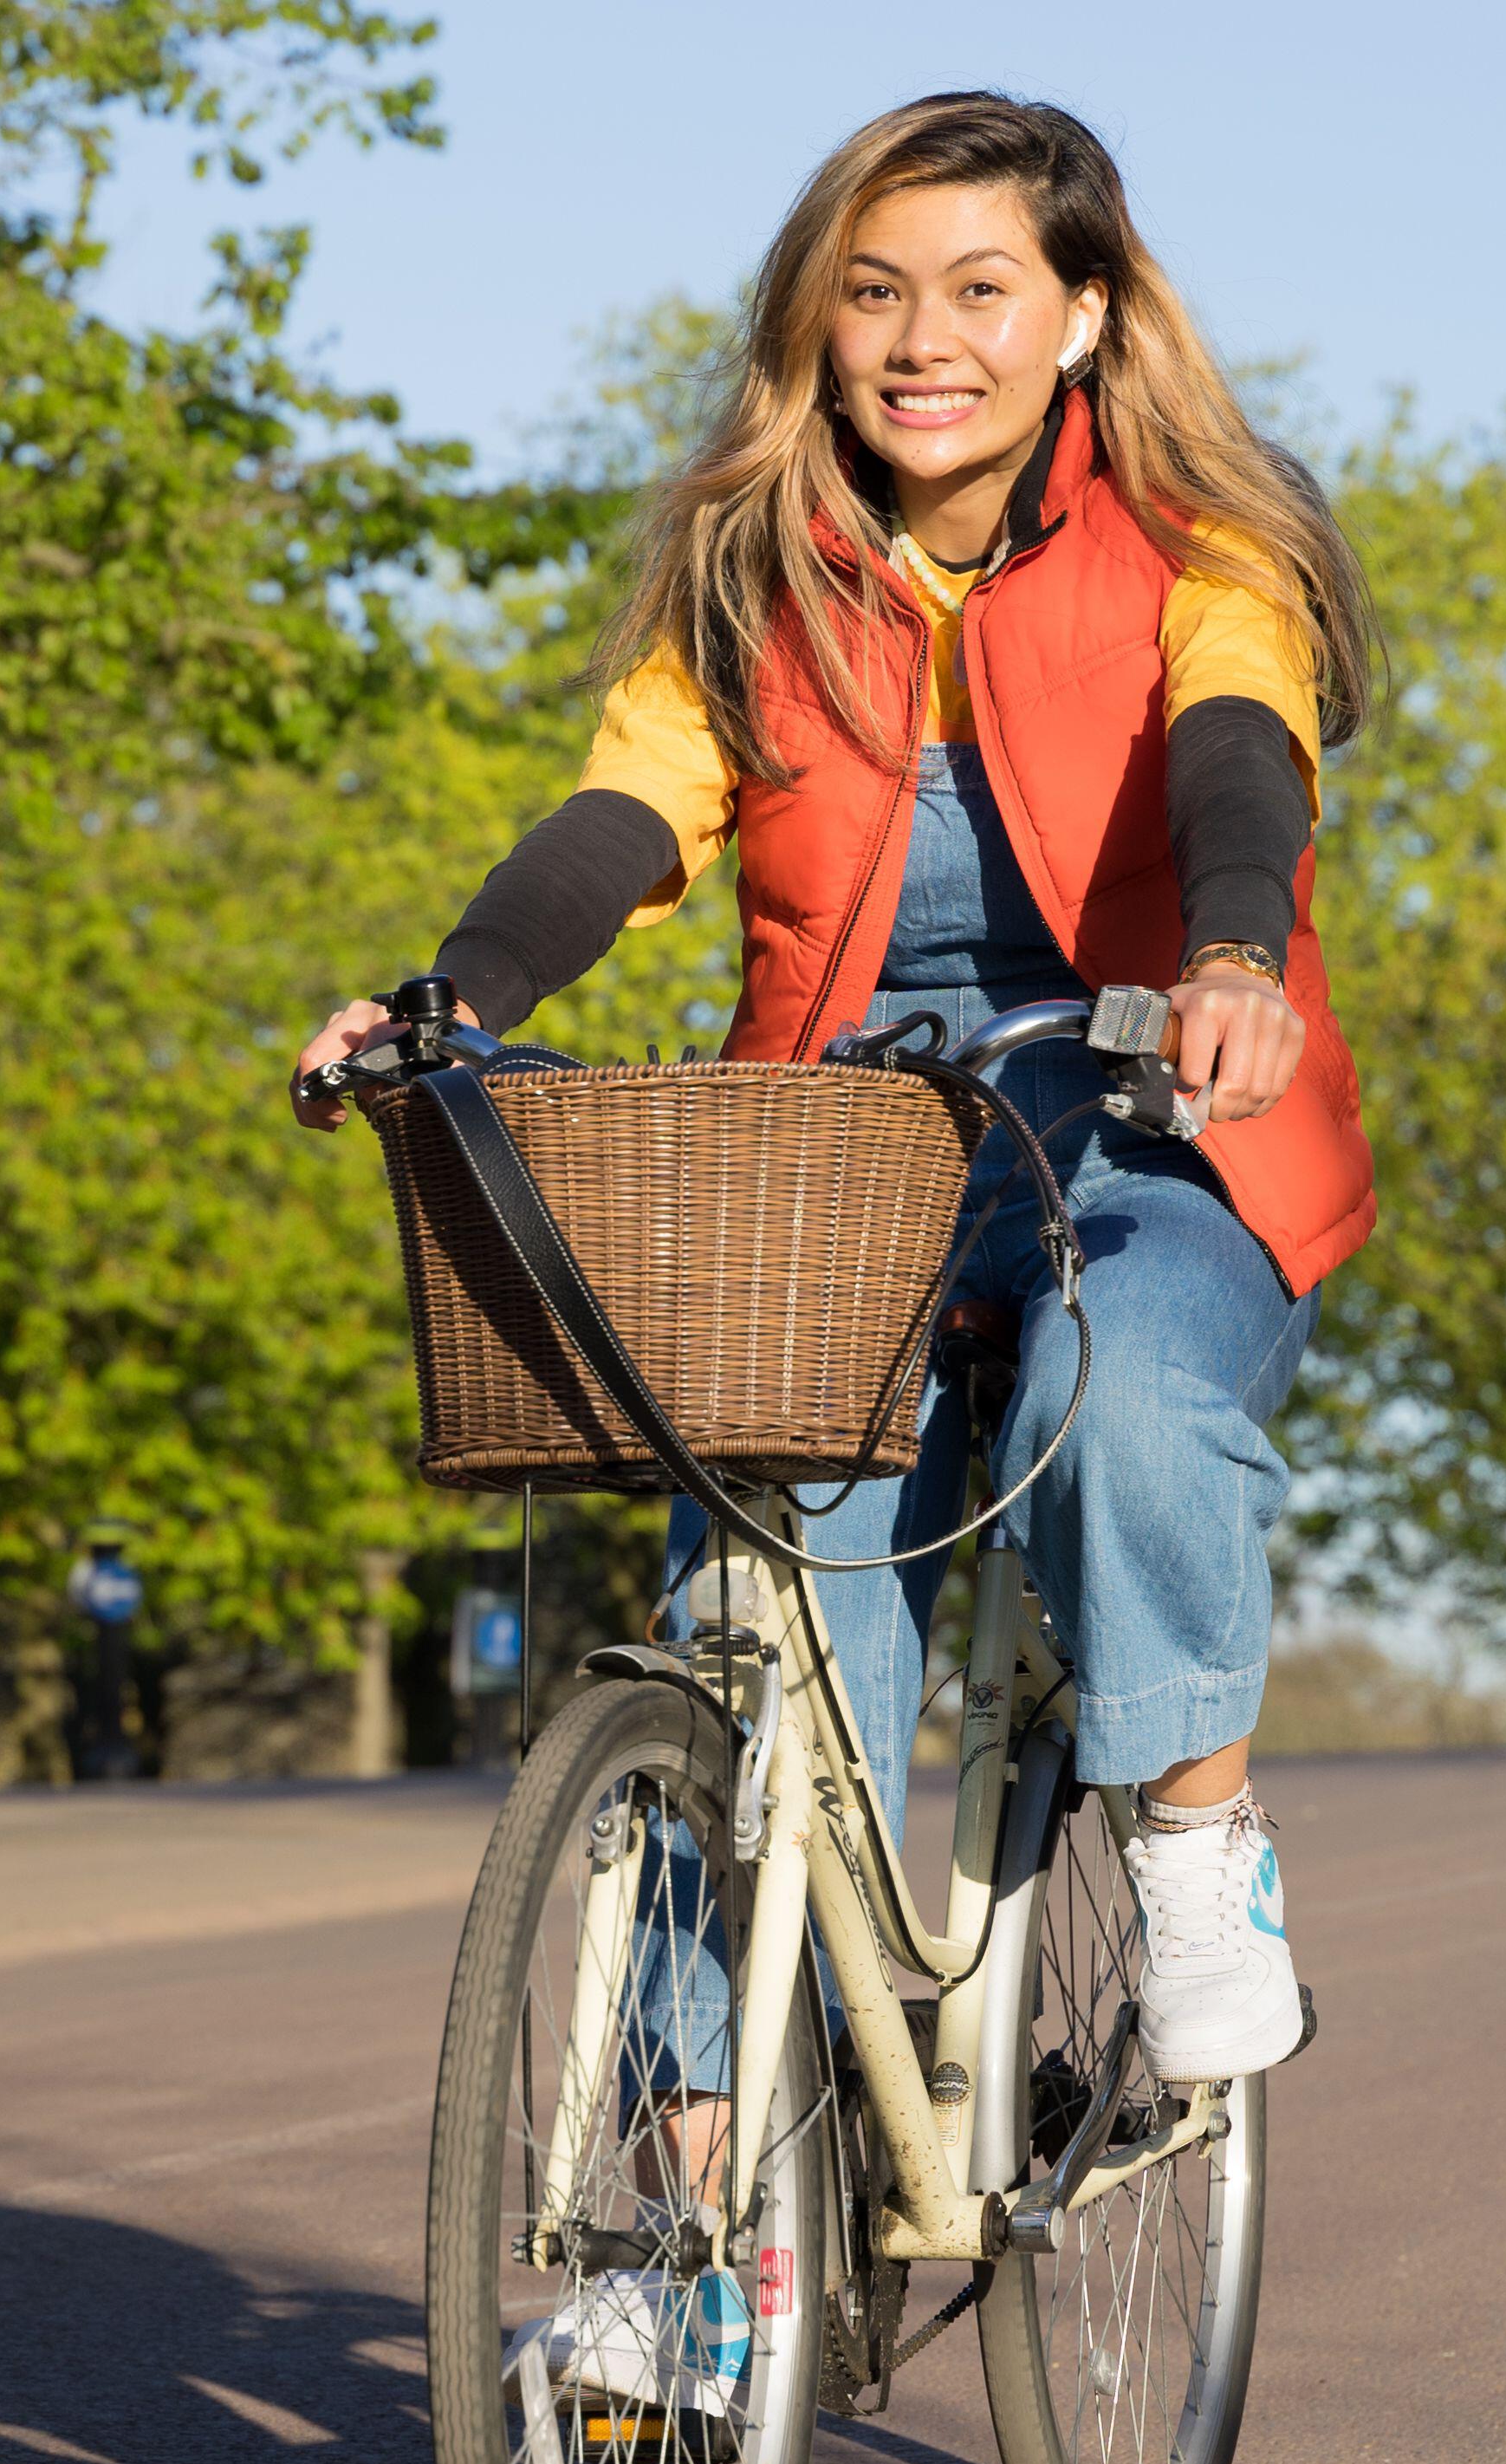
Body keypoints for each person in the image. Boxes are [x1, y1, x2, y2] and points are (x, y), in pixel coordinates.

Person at [297, 90, 1371, 2101]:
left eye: (978, 289)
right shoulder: (748, 569)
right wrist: (445, 991)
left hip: (1145, 1095)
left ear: (1080, 316)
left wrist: (1229, 958)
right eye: (869, 292)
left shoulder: (1201, 551)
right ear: (815, 318)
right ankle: (700, 2226)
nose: (916, 340)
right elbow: (626, 812)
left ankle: (1194, 1842)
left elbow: (1237, 747)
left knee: (1109, 1389)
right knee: (754, 1592)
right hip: (843, 1142)